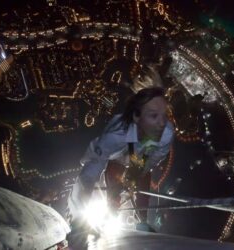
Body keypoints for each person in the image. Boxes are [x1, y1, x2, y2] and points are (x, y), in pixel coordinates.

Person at [67, 87, 174, 226]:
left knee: (141, 178)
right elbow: (87, 177)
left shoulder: (166, 133)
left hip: (139, 156)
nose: (162, 123)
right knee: (114, 177)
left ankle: (143, 218)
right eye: (154, 116)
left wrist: (139, 172)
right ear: (137, 117)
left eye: (164, 115)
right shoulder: (115, 136)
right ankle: (112, 204)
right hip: (115, 156)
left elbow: (154, 159)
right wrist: (77, 220)